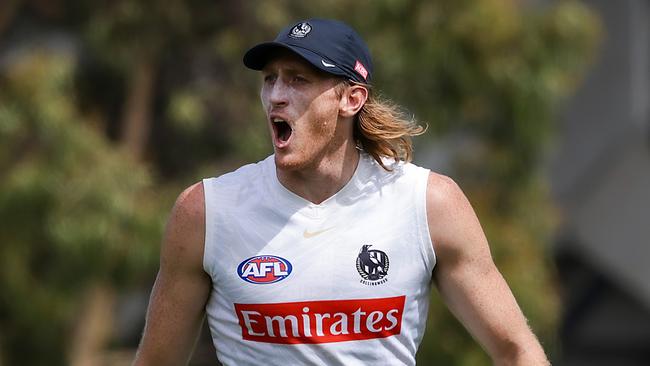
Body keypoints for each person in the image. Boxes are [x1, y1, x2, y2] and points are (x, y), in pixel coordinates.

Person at [133, 18, 550, 366]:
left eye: (298, 80)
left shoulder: (429, 203)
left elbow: (517, 350)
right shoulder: (205, 212)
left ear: (351, 99)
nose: (276, 96)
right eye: (270, 80)